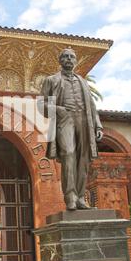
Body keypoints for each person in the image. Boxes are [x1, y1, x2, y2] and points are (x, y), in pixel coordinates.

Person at [38, 48, 103, 210]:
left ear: (76, 61)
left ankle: (81, 197)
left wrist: (98, 125)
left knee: (83, 159)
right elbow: (41, 105)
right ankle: (70, 197)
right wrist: (58, 109)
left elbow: (92, 106)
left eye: (72, 57)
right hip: (64, 120)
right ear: (60, 61)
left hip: (84, 120)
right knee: (68, 154)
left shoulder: (83, 82)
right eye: (65, 56)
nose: (69, 59)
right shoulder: (51, 80)